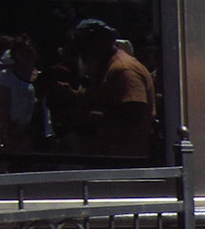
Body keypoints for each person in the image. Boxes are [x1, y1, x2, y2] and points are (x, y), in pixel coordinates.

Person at [47, 19, 157, 159]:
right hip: (101, 161)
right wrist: (70, 97)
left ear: (100, 43)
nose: (81, 51)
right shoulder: (100, 69)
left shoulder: (124, 70)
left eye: (84, 44)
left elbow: (133, 117)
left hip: (123, 162)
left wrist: (93, 120)